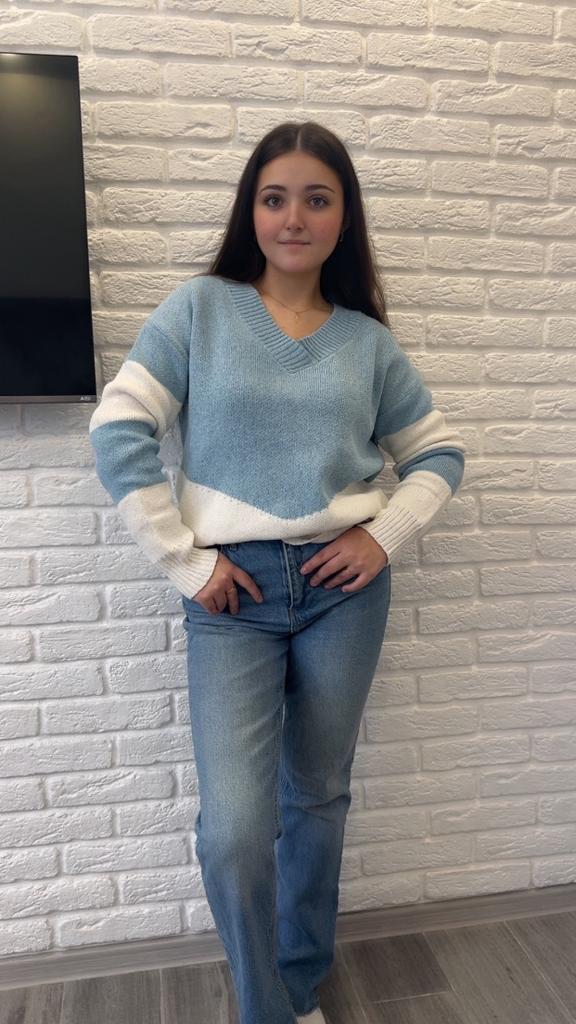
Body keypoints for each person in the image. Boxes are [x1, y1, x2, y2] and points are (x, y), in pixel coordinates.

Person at [89, 120, 465, 1024]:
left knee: (318, 797)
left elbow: (439, 453)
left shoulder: (367, 344)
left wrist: (382, 537)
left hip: (344, 595)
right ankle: (266, 1008)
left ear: (344, 218)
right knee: (235, 831)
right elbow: (118, 428)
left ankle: (298, 983)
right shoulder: (199, 312)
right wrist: (185, 563)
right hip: (233, 596)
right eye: (275, 197)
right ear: (250, 211)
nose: (294, 217)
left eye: (316, 199)